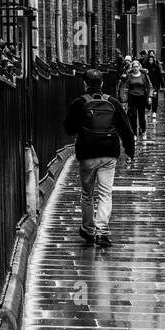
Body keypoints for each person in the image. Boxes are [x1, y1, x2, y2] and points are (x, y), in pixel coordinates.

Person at [63, 68, 135, 248]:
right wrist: (130, 151)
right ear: (102, 83)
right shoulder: (113, 102)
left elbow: (69, 128)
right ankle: (102, 231)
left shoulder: (79, 103)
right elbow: (126, 129)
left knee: (87, 193)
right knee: (105, 192)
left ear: (84, 84)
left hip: (87, 153)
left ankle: (88, 229)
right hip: (109, 153)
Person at [125, 60, 151, 138]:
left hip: (142, 98)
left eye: (137, 66)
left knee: (142, 116)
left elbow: (149, 86)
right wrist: (124, 98)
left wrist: (149, 97)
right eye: (134, 66)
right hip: (132, 98)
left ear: (139, 67)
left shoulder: (144, 75)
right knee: (133, 116)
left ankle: (143, 131)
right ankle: (134, 133)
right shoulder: (129, 75)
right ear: (132, 67)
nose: (135, 68)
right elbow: (125, 87)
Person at [145, 50, 163, 118]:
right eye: (150, 60)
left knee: (155, 99)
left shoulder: (156, 66)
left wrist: (162, 85)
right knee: (148, 98)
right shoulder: (145, 66)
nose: (151, 62)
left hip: (155, 85)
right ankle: (149, 109)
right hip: (148, 85)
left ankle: (154, 111)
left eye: (152, 60)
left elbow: (160, 76)